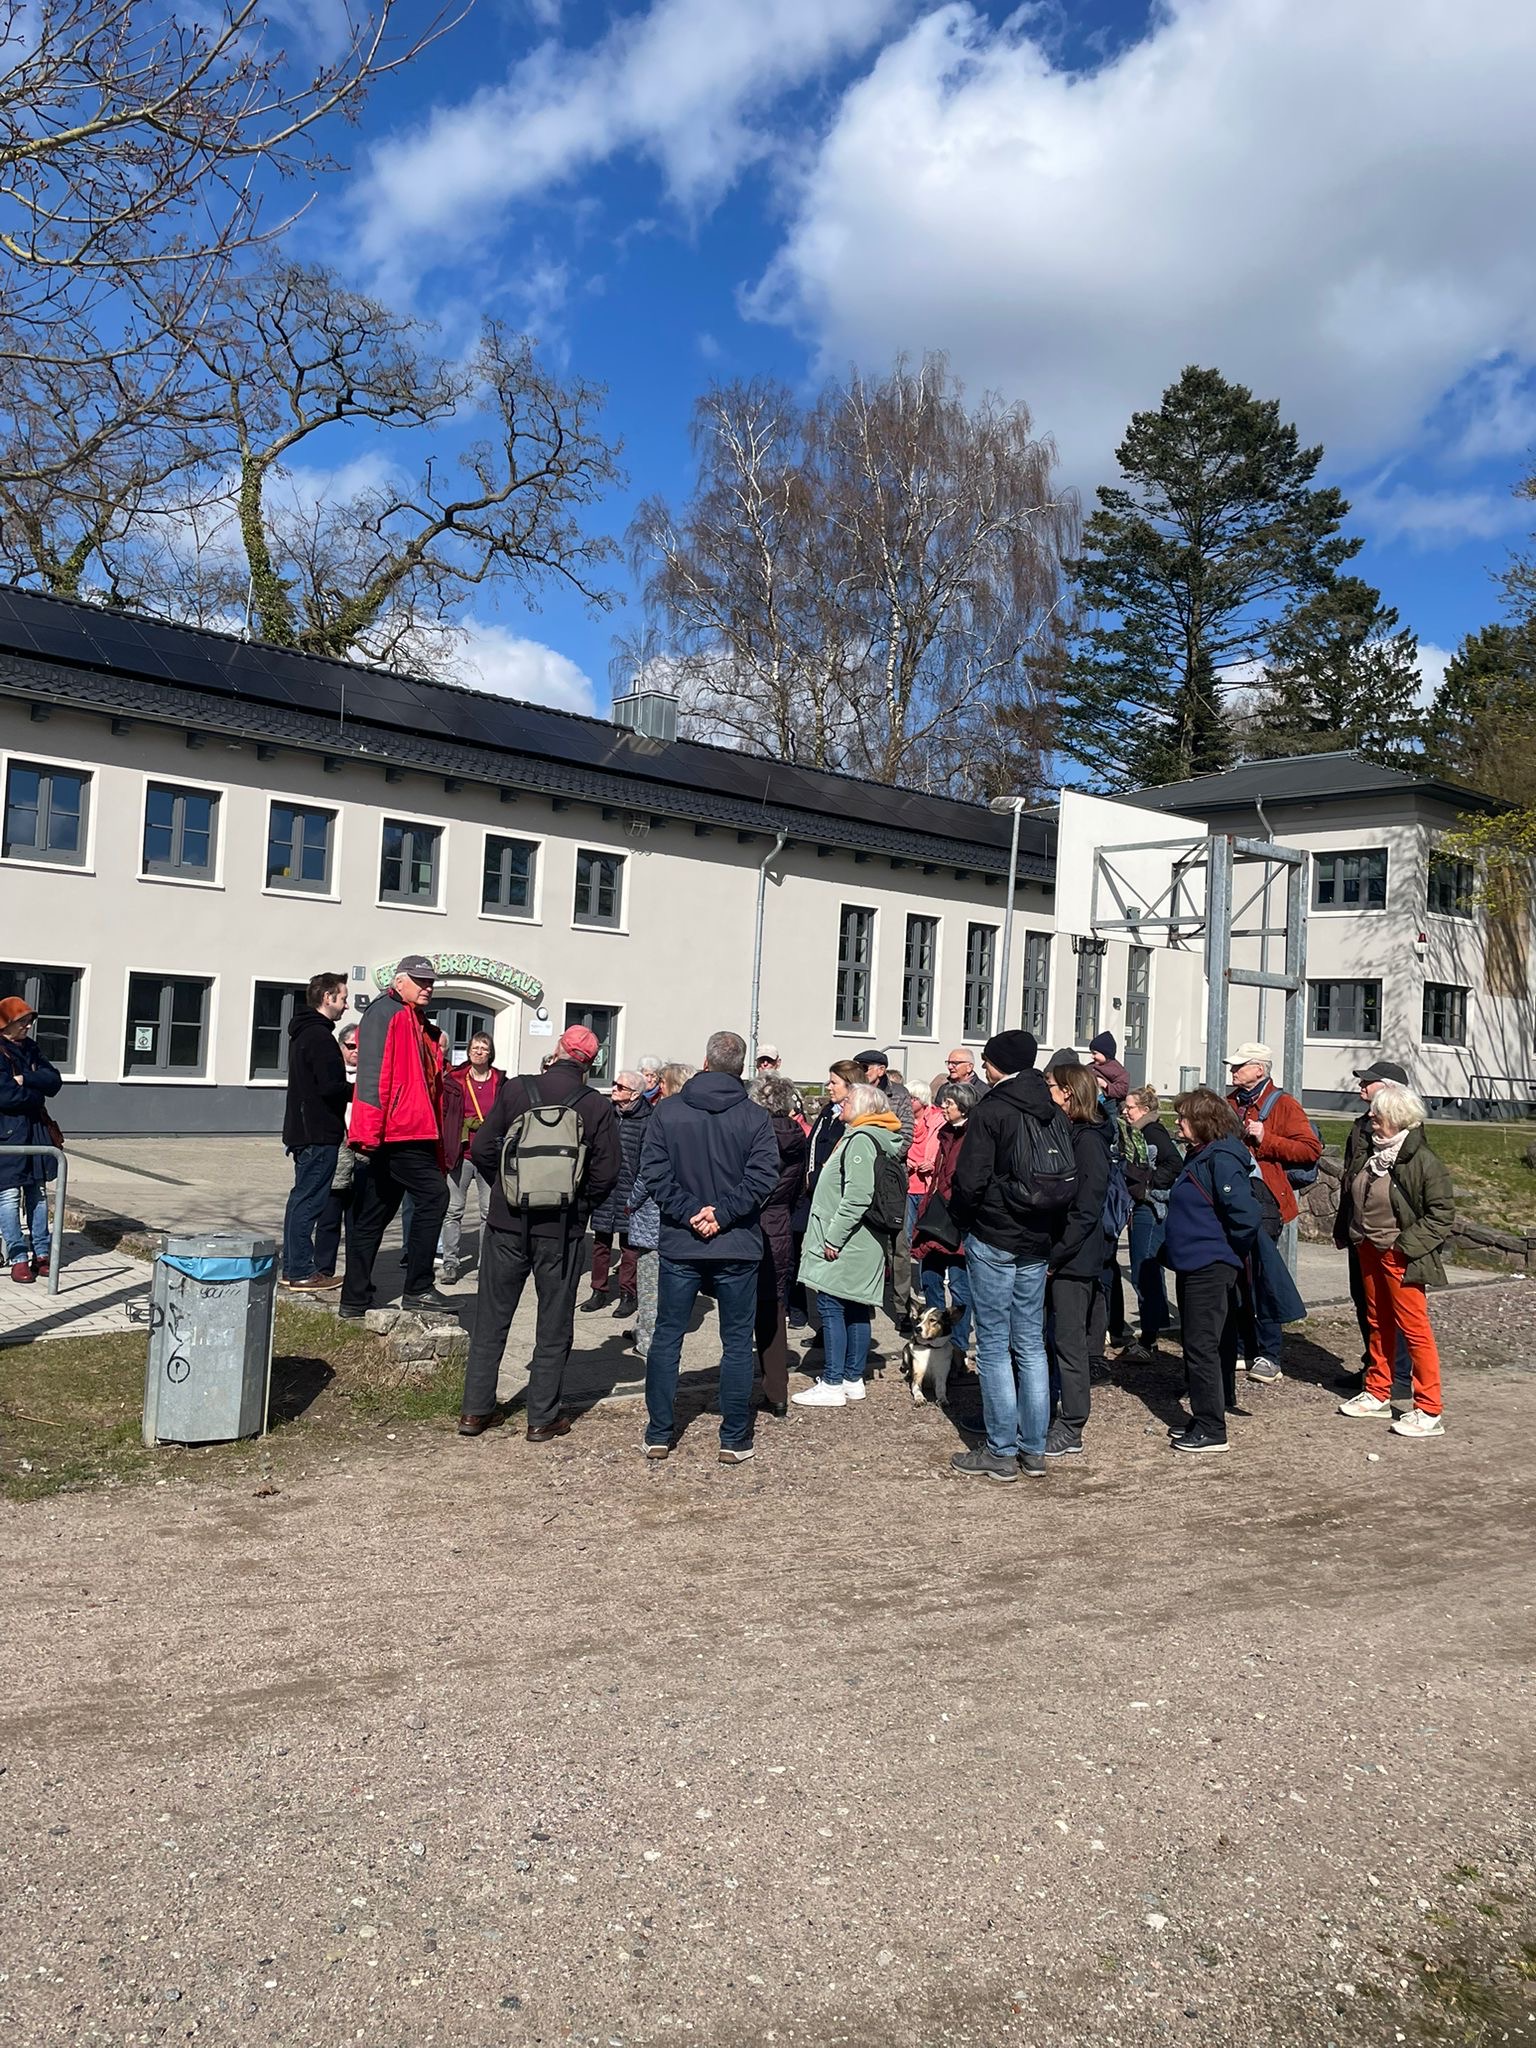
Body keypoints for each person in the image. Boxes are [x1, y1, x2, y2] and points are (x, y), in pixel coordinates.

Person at [458, 1025, 621, 1440]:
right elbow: (607, 1172)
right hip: (561, 1231)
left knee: (491, 1318)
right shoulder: (595, 1106)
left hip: (506, 1224)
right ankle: (542, 1417)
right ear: (590, 1063)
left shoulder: (517, 1089)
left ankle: (475, 1411)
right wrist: (578, 1205)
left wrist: (507, 1188)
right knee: (554, 1322)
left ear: (558, 1049)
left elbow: (482, 1148)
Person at [637, 1030, 780, 1464]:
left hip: (688, 1241)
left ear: (705, 1062)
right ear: (741, 1068)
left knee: (668, 1336)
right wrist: (717, 1214)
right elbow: (762, 1178)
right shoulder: (754, 1117)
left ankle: (659, 1432)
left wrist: (697, 1213)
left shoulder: (668, 1111)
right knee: (735, 1342)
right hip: (732, 1242)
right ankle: (733, 1438)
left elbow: (654, 1173)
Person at [947, 1029, 1062, 1482]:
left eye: (987, 1059)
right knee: (1030, 1343)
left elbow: (970, 1179)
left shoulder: (992, 1109)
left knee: (994, 1344)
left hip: (995, 1232)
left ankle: (1000, 1449)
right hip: (1038, 1235)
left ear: (998, 1064)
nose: (983, 1066)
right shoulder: (1051, 1107)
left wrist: (961, 1219)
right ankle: (1033, 1448)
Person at [1338, 1083, 1454, 1439]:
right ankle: (1377, 1391)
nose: (1371, 1117)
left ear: (1396, 1117)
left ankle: (1429, 1409)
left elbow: (1441, 1214)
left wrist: (1405, 1247)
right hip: (1369, 1248)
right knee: (1377, 1321)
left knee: (1414, 1329)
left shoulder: (1423, 1161)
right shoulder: (1371, 1150)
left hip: (1399, 1254)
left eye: (1378, 1113)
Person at [340, 956, 453, 1319]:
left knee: (372, 1215)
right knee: (435, 1195)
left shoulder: (415, 1019)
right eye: (420, 981)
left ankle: (354, 1299)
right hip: (399, 1131)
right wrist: (368, 1133)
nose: (427, 987)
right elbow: (372, 1076)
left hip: (408, 1128)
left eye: (430, 981)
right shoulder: (385, 1013)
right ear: (399, 981)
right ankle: (418, 1288)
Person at [793, 1081, 906, 1409]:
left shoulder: (861, 1140)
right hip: (863, 1240)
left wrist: (834, 1237)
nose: (842, 1104)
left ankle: (832, 1382)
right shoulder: (871, 1137)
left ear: (865, 1109)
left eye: (849, 1101)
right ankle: (852, 1379)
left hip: (848, 1241)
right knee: (856, 1308)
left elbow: (858, 1196)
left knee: (831, 1306)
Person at [1163, 1089, 1263, 1454]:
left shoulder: (1220, 1159)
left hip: (1209, 1264)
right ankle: (1204, 1416)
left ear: (1203, 1122)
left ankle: (1211, 1427)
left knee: (1201, 1345)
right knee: (1204, 1343)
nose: (1178, 1122)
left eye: (1184, 1117)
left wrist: (1225, 1250)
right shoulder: (1201, 1154)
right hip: (1195, 1261)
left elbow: (1245, 1215)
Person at [1225, 1041, 1322, 1384]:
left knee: (1262, 1277)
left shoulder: (1284, 1105)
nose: (1233, 1070)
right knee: (1235, 1275)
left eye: (1239, 1066)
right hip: (1234, 1201)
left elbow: (1310, 1150)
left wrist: (1266, 1138)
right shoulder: (1231, 1103)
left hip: (1266, 1204)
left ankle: (1269, 1354)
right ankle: (1241, 1347)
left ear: (1260, 1070)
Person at [1043, 1061, 1113, 1458]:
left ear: (1068, 1092)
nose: (1047, 1092)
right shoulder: (1068, 1132)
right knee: (1049, 1341)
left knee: (1070, 1345)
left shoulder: (1089, 1141)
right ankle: (1042, 1413)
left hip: (1074, 1259)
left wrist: (1057, 1255)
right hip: (1058, 1254)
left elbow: (1087, 1208)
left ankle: (1072, 1426)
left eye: (1051, 1086)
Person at [1334, 1059, 1413, 1396]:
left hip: (1390, 1232)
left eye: (1369, 1082)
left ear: (1390, 1088)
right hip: (1360, 1227)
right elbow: (1352, 1176)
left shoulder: (1407, 1129)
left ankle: (1399, 1376)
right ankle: (1375, 1367)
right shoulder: (1361, 1125)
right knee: (1365, 1301)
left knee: (1394, 1306)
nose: (1361, 1087)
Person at [278, 972, 350, 1292]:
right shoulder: (319, 1036)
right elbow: (330, 1086)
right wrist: (360, 1092)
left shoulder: (304, 1032)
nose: (346, 1005)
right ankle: (301, 1271)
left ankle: (292, 1267)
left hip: (305, 1130)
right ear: (327, 998)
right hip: (317, 1132)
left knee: (300, 1200)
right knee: (309, 1202)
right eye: (343, 998)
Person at [750, 1073, 809, 1417]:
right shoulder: (798, 1135)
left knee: (742, 1310)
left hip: (753, 1222)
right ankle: (777, 1391)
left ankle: (737, 1389)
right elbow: (799, 1188)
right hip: (780, 1221)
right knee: (774, 1308)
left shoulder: (756, 1134)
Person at [911, 1081, 978, 1361]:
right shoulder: (945, 1133)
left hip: (958, 1218)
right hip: (936, 1213)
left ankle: (958, 1346)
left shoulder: (973, 1135)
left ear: (963, 1106)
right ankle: (932, 1337)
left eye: (949, 1103)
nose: (944, 1107)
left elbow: (965, 1179)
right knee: (929, 1278)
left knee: (960, 1285)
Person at [0, 994, 62, 1283]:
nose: (27, 1027)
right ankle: (18, 1257)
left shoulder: (32, 1048)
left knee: (38, 1194)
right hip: (7, 1134)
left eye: (28, 1022)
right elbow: (6, 1096)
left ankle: (42, 1254)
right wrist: (36, 1092)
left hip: (36, 1132)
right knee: (9, 1196)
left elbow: (54, 1080)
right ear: (5, 1024)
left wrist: (26, 1079)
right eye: (21, 1022)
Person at [581, 1069, 651, 1318]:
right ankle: (598, 1291)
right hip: (605, 1188)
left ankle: (627, 1294)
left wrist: (637, 1194)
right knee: (601, 1242)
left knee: (629, 1246)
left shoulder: (647, 1119)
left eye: (620, 1087)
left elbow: (646, 1161)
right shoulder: (607, 1114)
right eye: (614, 1084)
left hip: (630, 1190)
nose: (613, 1089)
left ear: (634, 1094)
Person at [1118, 1086, 1181, 1360]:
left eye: (1130, 1107)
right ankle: (1153, 1329)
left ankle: (1149, 1338)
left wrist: (1148, 1186)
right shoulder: (1137, 1131)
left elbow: (1174, 1163)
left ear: (1144, 1110)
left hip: (1151, 1209)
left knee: (1144, 1269)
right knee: (1148, 1269)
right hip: (1143, 1206)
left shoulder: (1152, 1131)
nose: (1124, 1111)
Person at [439, 1031, 505, 1286]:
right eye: (475, 1047)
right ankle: (450, 1264)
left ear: (490, 1053)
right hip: (461, 1153)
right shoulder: (454, 1080)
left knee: (489, 1212)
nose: (479, 1052)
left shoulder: (500, 1081)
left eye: (484, 1048)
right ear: (468, 1051)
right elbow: (445, 1113)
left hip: (488, 1156)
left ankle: (484, 1264)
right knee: (453, 1211)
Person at [1088, 1032, 1131, 1104]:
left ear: (1105, 1053)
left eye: (1095, 1053)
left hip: (1110, 1104)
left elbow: (1122, 1090)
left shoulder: (1117, 1070)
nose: (1092, 1056)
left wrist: (1105, 1085)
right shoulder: (1091, 1067)